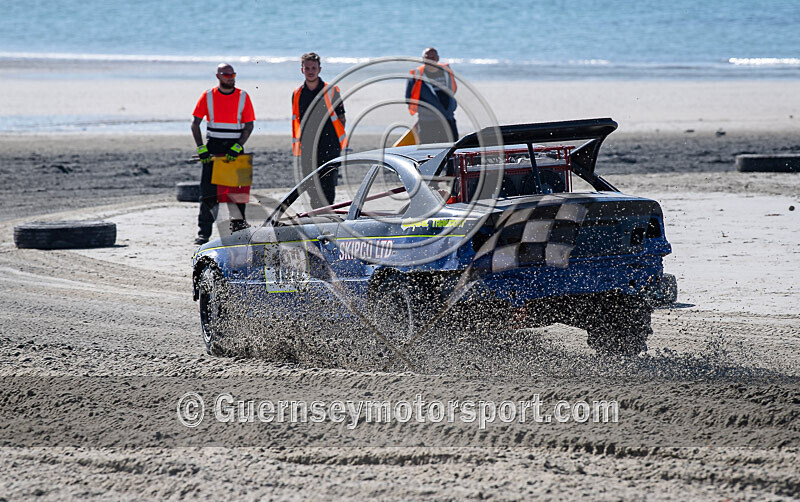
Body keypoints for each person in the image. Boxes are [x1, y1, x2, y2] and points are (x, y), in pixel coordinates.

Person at [191, 63, 255, 244]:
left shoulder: (243, 96)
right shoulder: (208, 96)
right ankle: (203, 233)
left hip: (235, 148)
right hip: (213, 148)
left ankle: (239, 232)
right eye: (226, 74)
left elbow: (249, 125)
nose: (230, 77)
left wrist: (238, 146)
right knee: (208, 194)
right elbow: (195, 124)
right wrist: (201, 148)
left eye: (232, 74)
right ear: (218, 76)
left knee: (238, 194)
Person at [291, 52, 347, 207]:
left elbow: (341, 117)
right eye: (307, 67)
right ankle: (317, 216)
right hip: (307, 146)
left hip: (330, 145)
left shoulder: (331, 91)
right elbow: (297, 119)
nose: (310, 71)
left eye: (313, 68)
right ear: (302, 69)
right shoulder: (297, 93)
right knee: (310, 185)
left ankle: (327, 217)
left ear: (319, 69)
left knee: (328, 185)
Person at [405, 47, 458, 144]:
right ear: (423, 59)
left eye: (432, 58)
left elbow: (453, 89)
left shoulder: (446, 71)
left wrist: (451, 107)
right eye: (427, 58)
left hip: (448, 119)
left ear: (437, 58)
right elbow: (409, 98)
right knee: (428, 151)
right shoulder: (417, 75)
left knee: (451, 150)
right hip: (427, 122)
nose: (430, 60)